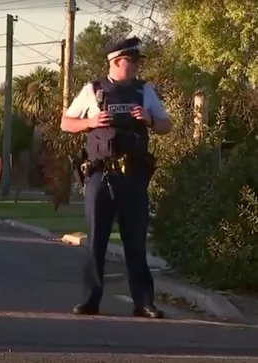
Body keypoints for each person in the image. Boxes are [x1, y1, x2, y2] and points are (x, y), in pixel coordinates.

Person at [60, 37, 172, 319]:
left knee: (135, 240)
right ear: (118, 61)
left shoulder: (144, 90)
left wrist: (148, 119)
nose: (136, 66)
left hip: (133, 175)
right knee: (96, 238)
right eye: (132, 61)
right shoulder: (93, 90)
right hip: (101, 175)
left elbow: (165, 125)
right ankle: (90, 300)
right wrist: (89, 122)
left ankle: (144, 302)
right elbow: (65, 122)